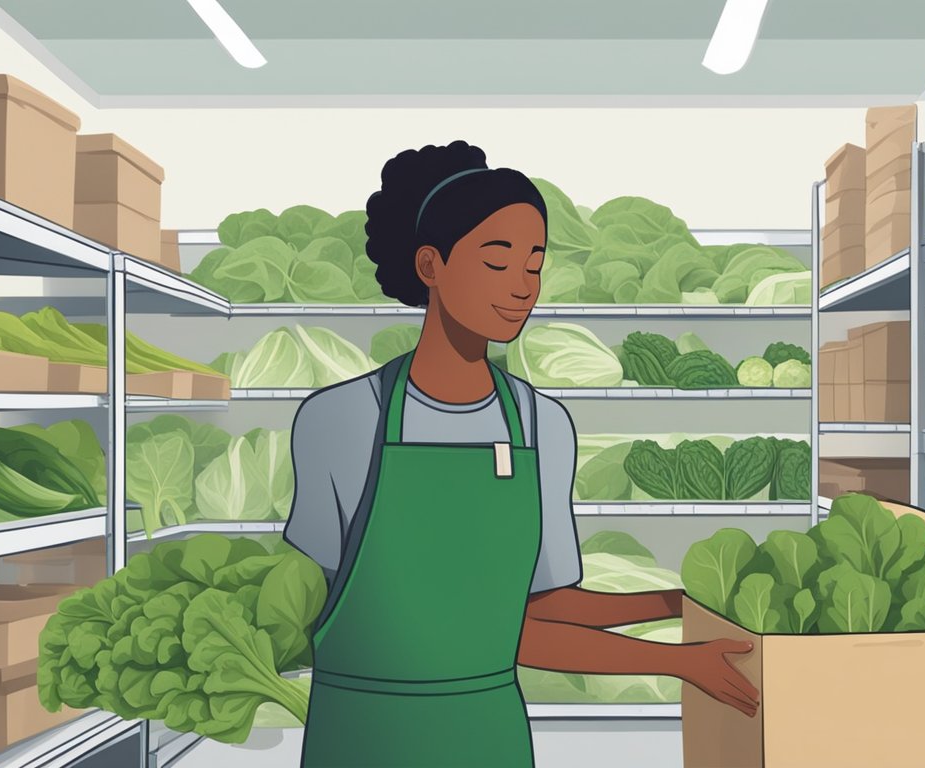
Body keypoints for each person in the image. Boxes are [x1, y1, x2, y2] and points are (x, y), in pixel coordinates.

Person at [284, 140, 759, 768]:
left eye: (535, 265)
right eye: (497, 261)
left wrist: (674, 606)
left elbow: (537, 611)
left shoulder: (541, 424)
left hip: (486, 733)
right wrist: (672, 661)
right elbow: (316, 609)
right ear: (431, 265)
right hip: (366, 734)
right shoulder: (341, 420)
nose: (521, 288)